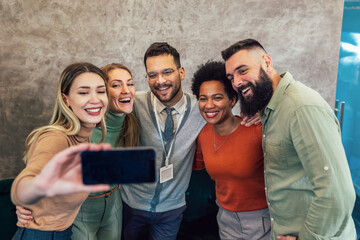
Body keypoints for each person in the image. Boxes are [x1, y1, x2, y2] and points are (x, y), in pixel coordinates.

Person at [221, 38, 357, 240]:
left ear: (267, 63)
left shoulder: (301, 108)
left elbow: (337, 192)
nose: (237, 82)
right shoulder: (274, 106)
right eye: (231, 77)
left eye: (243, 70)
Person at [15, 63, 140, 240]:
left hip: (114, 202)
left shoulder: (130, 118)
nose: (126, 90)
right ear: (67, 99)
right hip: (82, 209)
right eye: (116, 85)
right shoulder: (81, 126)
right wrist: (26, 203)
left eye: (130, 83)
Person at [120, 42, 207, 240]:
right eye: (152, 75)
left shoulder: (200, 108)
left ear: (181, 72)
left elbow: (227, 115)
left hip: (172, 210)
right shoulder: (133, 103)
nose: (160, 81)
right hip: (130, 205)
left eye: (167, 72)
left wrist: (253, 115)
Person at [191, 60, 270, 240]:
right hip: (225, 219)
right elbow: (194, 167)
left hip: (261, 220)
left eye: (217, 97)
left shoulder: (256, 130)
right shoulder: (203, 135)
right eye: (203, 98)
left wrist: (265, 113)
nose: (209, 105)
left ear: (232, 99)